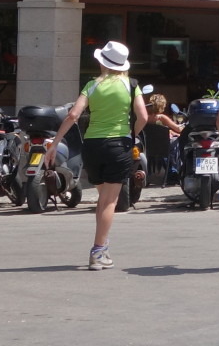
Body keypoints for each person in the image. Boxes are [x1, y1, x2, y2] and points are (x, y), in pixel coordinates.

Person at [51, 42, 149, 271]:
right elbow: (143, 116)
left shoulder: (91, 85)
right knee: (109, 202)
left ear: (102, 61)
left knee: (103, 198)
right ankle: (97, 251)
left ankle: (103, 246)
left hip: (92, 146)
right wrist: (132, 134)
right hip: (118, 145)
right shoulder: (131, 85)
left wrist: (54, 144)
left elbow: (73, 114)